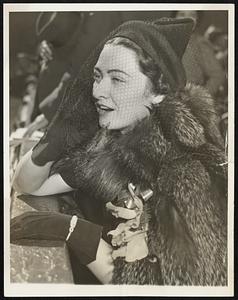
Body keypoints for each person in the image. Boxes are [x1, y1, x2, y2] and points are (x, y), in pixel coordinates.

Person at [11, 17, 227, 285]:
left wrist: (78, 233)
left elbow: (168, 288)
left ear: (157, 93)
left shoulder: (186, 173)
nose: (98, 91)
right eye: (97, 77)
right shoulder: (110, 146)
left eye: (118, 79)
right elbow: (28, 184)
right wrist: (57, 133)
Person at [175, 11, 226, 99]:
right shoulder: (163, 40)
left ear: (197, 20)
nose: (187, 19)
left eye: (192, 15)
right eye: (182, 14)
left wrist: (200, 98)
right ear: (173, 18)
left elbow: (218, 75)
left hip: (188, 102)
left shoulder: (199, 43)